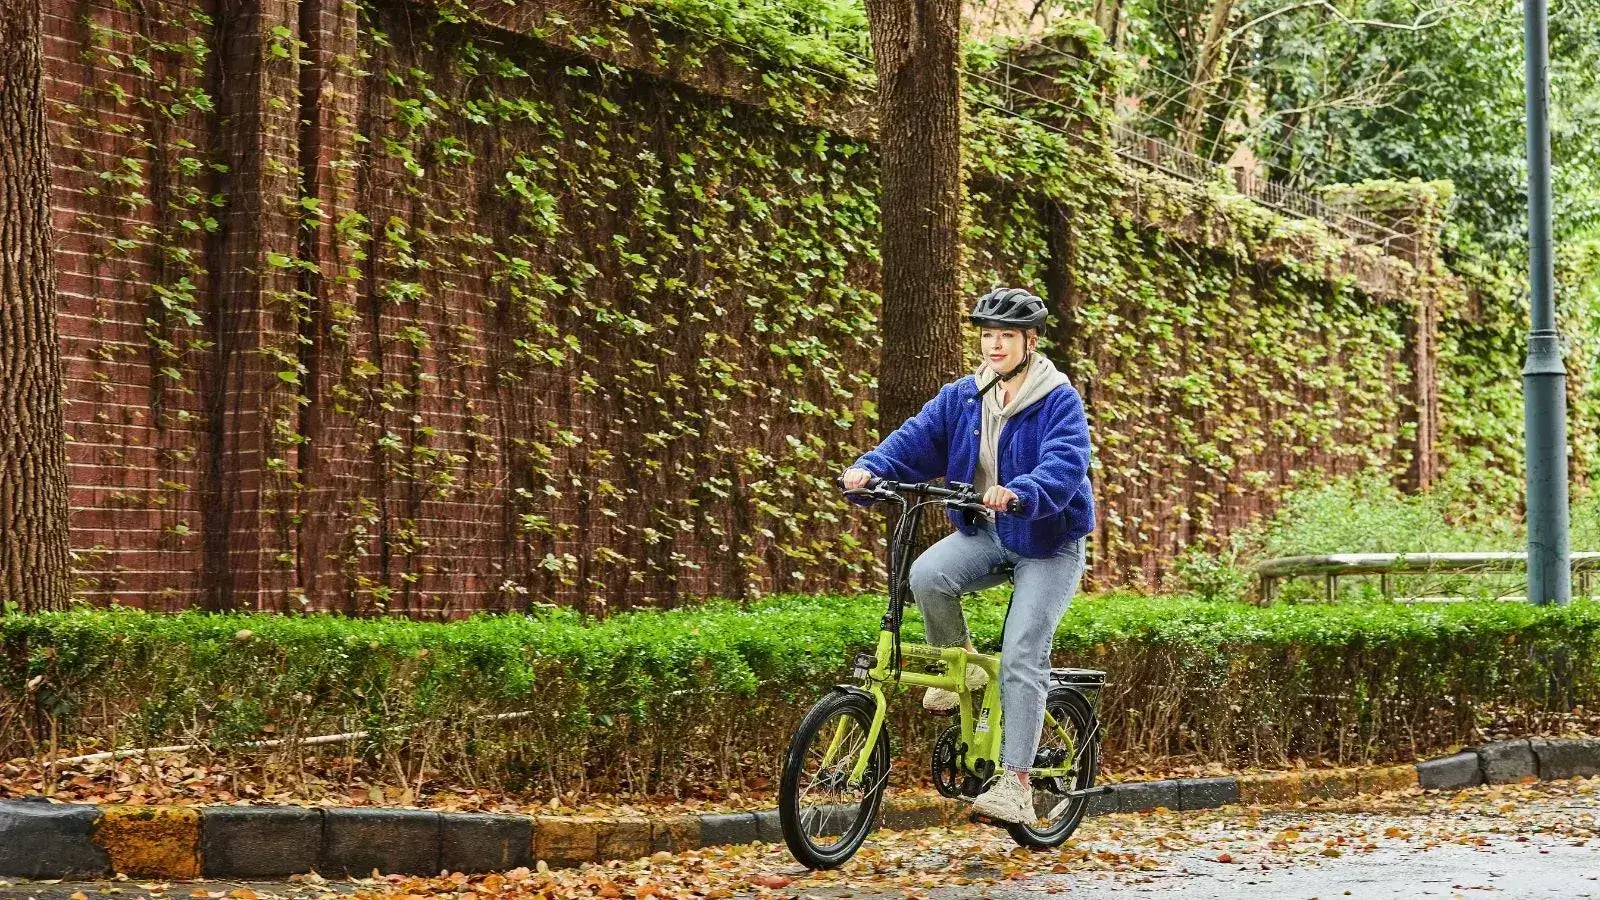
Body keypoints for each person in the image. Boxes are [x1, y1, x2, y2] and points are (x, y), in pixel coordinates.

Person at [841, 287, 1094, 825]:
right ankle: (964, 669)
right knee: (927, 574)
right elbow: (915, 441)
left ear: (1030, 341)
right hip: (989, 533)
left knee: (1023, 652)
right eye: (987, 335)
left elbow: (1064, 465)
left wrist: (1020, 491)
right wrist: (870, 469)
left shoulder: (1058, 399)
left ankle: (1017, 784)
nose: (994, 345)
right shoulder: (964, 395)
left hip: (1048, 541)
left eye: (1006, 336)